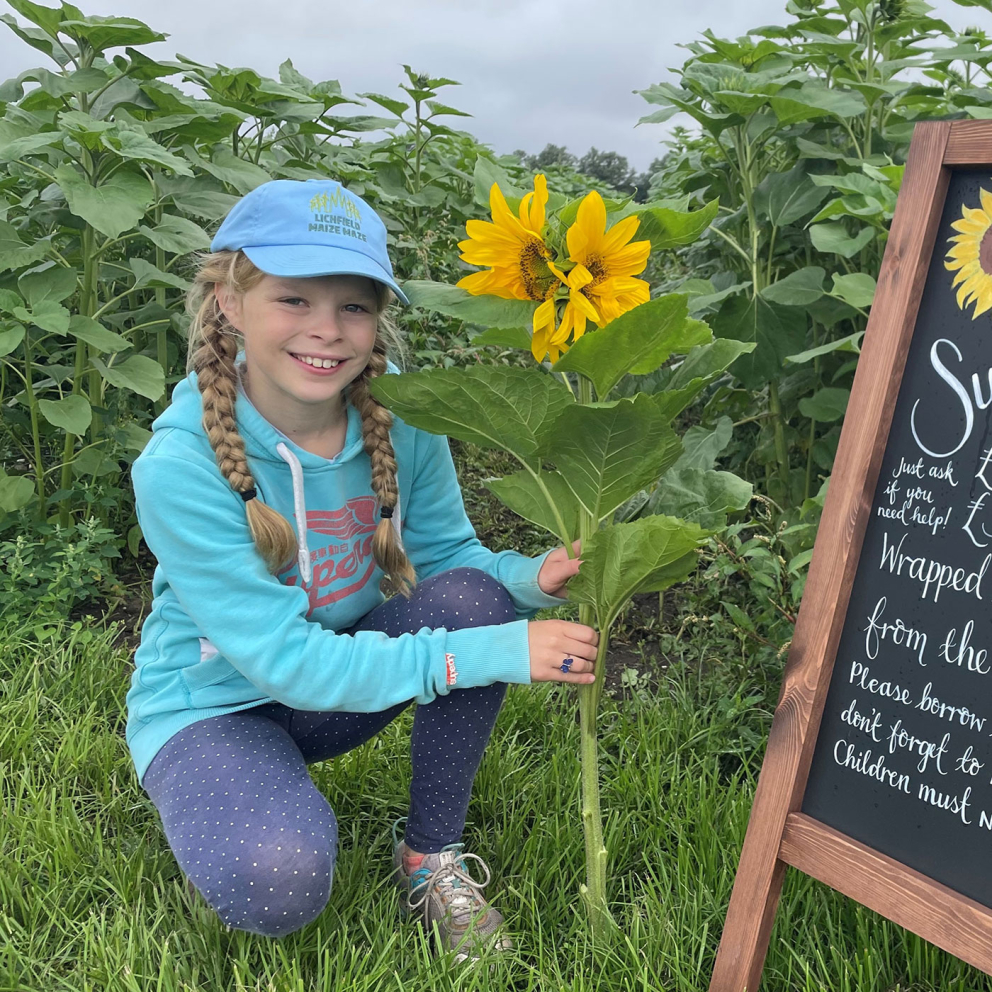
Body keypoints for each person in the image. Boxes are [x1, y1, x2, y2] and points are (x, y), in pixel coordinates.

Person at [125, 177, 600, 964]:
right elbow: (285, 662)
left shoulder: (403, 424)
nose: (328, 330)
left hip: (332, 693)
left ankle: (430, 856)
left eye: (353, 304)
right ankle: (220, 789)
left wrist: (531, 581)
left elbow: (451, 565)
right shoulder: (179, 465)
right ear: (227, 303)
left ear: (378, 318)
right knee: (275, 882)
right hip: (213, 708)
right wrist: (495, 654)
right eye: (293, 300)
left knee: (476, 599)